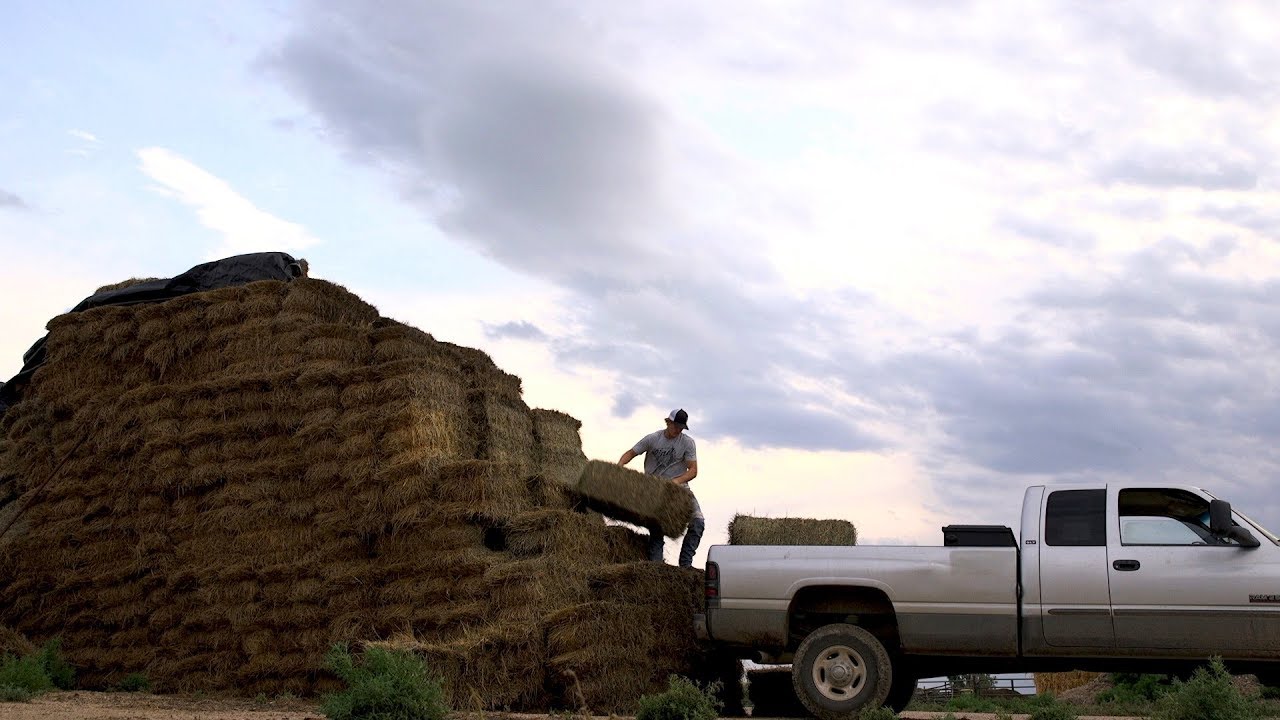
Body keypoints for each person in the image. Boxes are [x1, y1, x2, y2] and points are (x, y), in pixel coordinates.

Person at [618, 408, 703, 567]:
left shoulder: (687, 443)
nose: (678, 430)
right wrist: (619, 467)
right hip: (655, 489)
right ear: (668, 422)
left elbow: (693, 470)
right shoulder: (653, 439)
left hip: (680, 489)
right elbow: (630, 453)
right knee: (657, 528)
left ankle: (685, 564)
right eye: (675, 426)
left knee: (698, 522)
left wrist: (676, 482)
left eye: (681, 428)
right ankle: (657, 568)